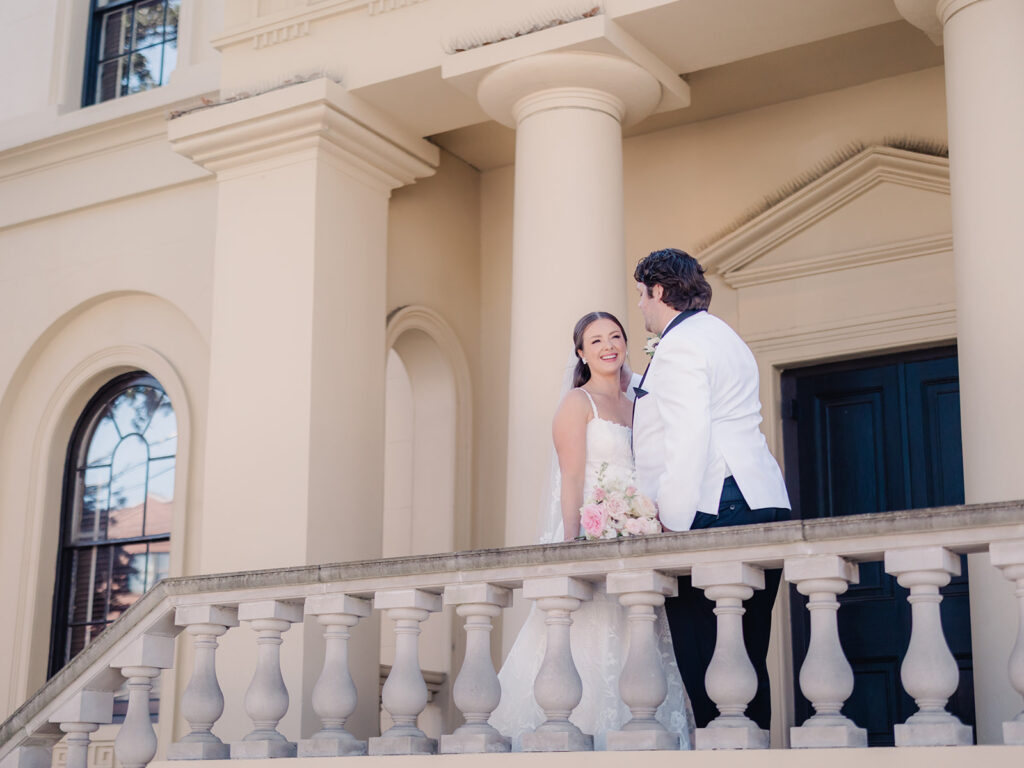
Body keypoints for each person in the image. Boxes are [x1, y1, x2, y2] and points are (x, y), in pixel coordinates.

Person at [489, 311, 692, 750]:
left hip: (636, 541)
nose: (608, 346)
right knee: (587, 641)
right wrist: (573, 543)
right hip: (593, 535)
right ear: (581, 352)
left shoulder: (639, 401)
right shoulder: (577, 404)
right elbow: (573, 480)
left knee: (636, 644)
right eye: (596, 340)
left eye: (616, 336)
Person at [630, 248, 791, 734]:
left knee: (708, 667)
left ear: (659, 290)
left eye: (641, 294)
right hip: (763, 500)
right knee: (745, 663)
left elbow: (688, 440)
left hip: (717, 506)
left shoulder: (679, 346)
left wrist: (670, 528)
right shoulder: (726, 336)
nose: (639, 306)